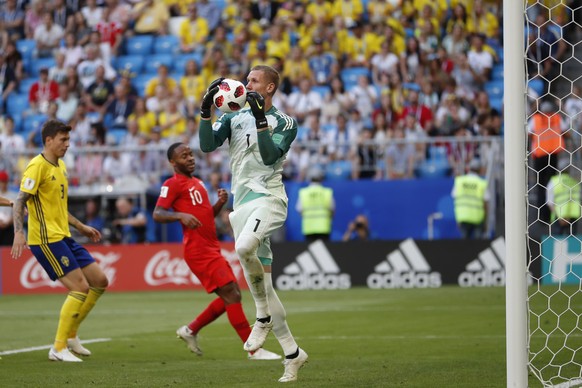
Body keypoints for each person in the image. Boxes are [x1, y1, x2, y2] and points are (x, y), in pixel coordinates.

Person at [199, 66, 309, 383]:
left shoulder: (286, 122)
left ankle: (260, 317)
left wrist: (261, 119)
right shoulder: (233, 116)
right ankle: (293, 354)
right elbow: (207, 145)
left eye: (254, 81)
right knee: (266, 284)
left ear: (270, 87)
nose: (246, 84)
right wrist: (205, 111)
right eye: (246, 80)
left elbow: (269, 156)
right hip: (242, 205)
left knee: (244, 247)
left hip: (270, 199)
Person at [153, 142, 281, 361]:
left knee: (229, 296)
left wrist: (219, 204)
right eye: (184, 156)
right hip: (198, 250)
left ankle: (190, 330)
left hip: (210, 246)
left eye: (191, 154)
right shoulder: (172, 184)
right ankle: (253, 350)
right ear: (173, 162)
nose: (190, 158)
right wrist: (180, 216)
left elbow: (204, 218)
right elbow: (157, 213)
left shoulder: (198, 183)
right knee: (232, 293)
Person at [11, 119, 108, 362]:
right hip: (45, 240)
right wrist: (18, 232)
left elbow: (58, 208)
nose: (67, 144)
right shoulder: (36, 166)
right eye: (63, 140)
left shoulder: (60, 167)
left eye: (68, 139)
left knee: (99, 280)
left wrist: (81, 226)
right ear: (49, 140)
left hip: (63, 235)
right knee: (80, 287)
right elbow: (20, 200)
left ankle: (71, 335)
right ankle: (58, 348)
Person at [451, 159, 489, 239]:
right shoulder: (481, 183)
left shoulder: (460, 181)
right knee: (478, 248)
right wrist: (485, 221)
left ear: (469, 168)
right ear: (480, 169)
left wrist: (458, 219)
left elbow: (454, 197)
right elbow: (485, 204)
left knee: (465, 247)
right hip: (477, 218)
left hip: (463, 217)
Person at [296, 168, 335, 242]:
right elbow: (332, 209)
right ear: (321, 178)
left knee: (312, 252)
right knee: (324, 252)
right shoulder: (327, 192)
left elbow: (299, 209)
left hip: (309, 228)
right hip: (324, 228)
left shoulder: (304, 192)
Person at [547, 160, 581, 236]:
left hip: (558, 217)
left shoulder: (553, 182)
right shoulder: (574, 182)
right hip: (572, 217)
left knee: (557, 243)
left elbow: (550, 202)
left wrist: (561, 218)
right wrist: (567, 217)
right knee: (572, 243)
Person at [0, 170, 17, 245]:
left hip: (9, 226)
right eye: (1, 181)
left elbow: (17, 213)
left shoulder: (13, 195)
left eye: (4, 181)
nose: (2, 184)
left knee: (8, 248)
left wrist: (10, 221)